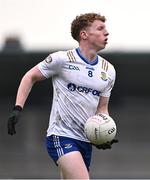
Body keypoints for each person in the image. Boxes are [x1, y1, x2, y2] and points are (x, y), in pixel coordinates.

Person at [7, 12, 118, 179]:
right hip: (62, 135)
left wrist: (104, 135)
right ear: (84, 34)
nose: (106, 32)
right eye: (100, 28)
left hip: (85, 141)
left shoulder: (108, 70)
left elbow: (102, 109)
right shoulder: (62, 59)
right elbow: (30, 77)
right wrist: (17, 108)